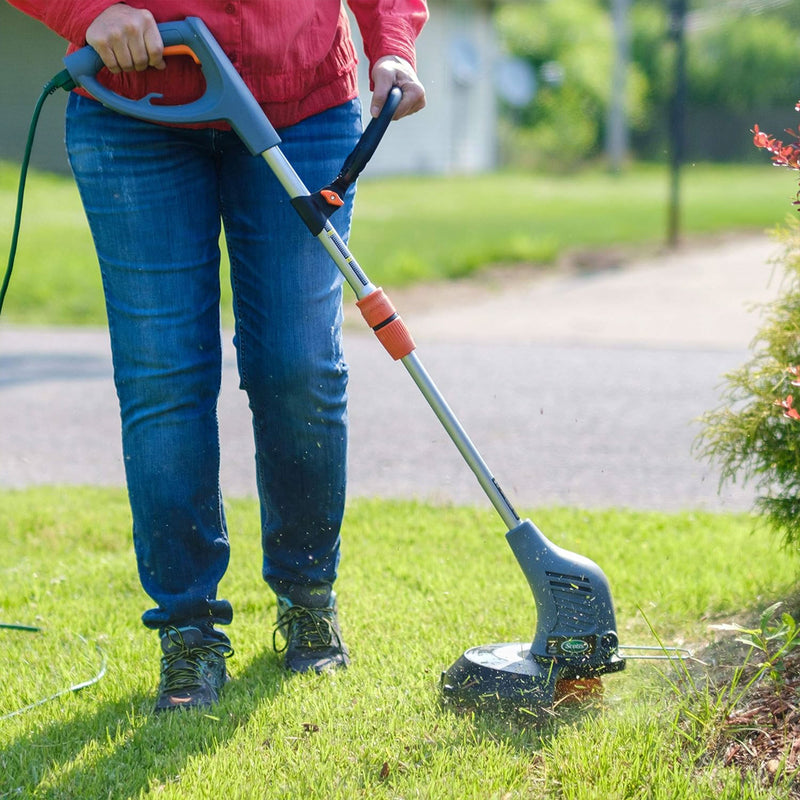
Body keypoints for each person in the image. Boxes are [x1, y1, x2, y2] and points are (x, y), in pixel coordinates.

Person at [8, 0, 427, 711]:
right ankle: (189, 633)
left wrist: (392, 43)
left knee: (297, 365)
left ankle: (306, 597)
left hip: (301, 110)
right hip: (133, 108)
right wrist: (89, 11)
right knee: (163, 375)